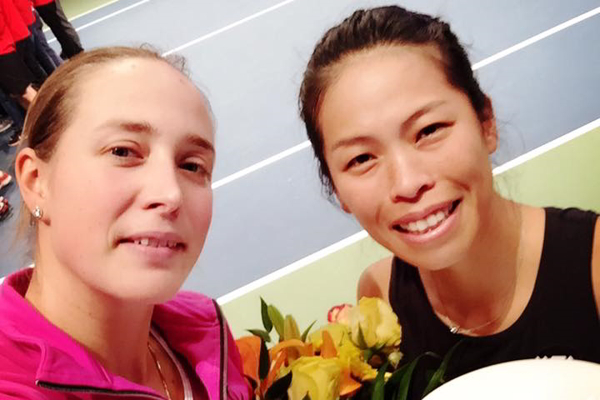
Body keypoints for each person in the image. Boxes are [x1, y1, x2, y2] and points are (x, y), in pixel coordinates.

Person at [299, 4, 600, 391]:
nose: (408, 183)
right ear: (336, 188)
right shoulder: (380, 300)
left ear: (485, 123)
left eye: (429, 130)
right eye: (361, 159)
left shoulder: (592, 266)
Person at [0, 47, 250, 400]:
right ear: (36, 181)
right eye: (123, 151)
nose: (170, 194)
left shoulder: (206, 332)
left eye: (192, 165)